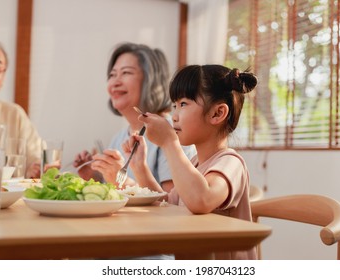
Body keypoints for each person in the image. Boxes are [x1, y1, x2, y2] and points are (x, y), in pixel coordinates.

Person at [127, 64, 258, 260]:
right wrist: (140, 167)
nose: (174, 115)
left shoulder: (231, 163)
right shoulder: (195, 164)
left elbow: (201, 199)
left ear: (217, 113)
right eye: (174, 105)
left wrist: (169, 143)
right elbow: (166, 205)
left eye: (184, 104)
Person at [73, 42, 195, 193]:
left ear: (150, 81)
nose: (115, 82)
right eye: (112, 75)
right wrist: (95, 176)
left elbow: (173, 203)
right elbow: (116, 193)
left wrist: (121, 180)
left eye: (126, 73)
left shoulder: (172, 132)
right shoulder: (118, 138)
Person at [0, 38, 41, 178]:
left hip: (5, 200)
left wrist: (38, 170)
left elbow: (36, 162)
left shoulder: (15, 114)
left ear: (3, 76)